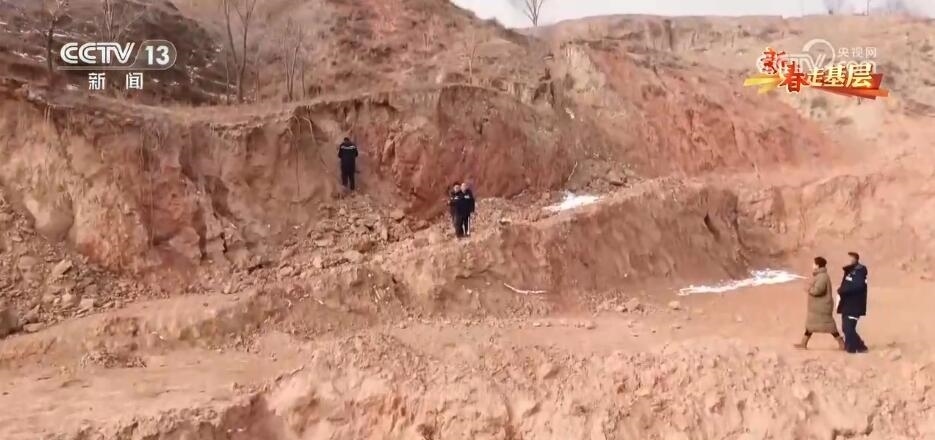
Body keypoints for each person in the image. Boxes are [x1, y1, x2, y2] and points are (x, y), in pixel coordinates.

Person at [794, 256, 845, 350]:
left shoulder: (823, 277)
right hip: (818, 308)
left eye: (814, 263)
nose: (812, 265)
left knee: (830, 327)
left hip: (821, 308)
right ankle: (803, 343)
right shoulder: (820, 276)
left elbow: (818, 290)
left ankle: (842, 344)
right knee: (810, 326)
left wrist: (808, 288)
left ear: (817, 265)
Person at [838, 252, 869, 354]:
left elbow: (858, 286)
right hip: (847, 303)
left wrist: (843, 290)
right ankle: (856, 346)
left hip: (854, 304)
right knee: (846, 327)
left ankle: (855, 347)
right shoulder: (849, 271)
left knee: (848, 327)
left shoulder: (860, 271)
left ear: (855, 259)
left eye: (850, 258)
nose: (847, 260)